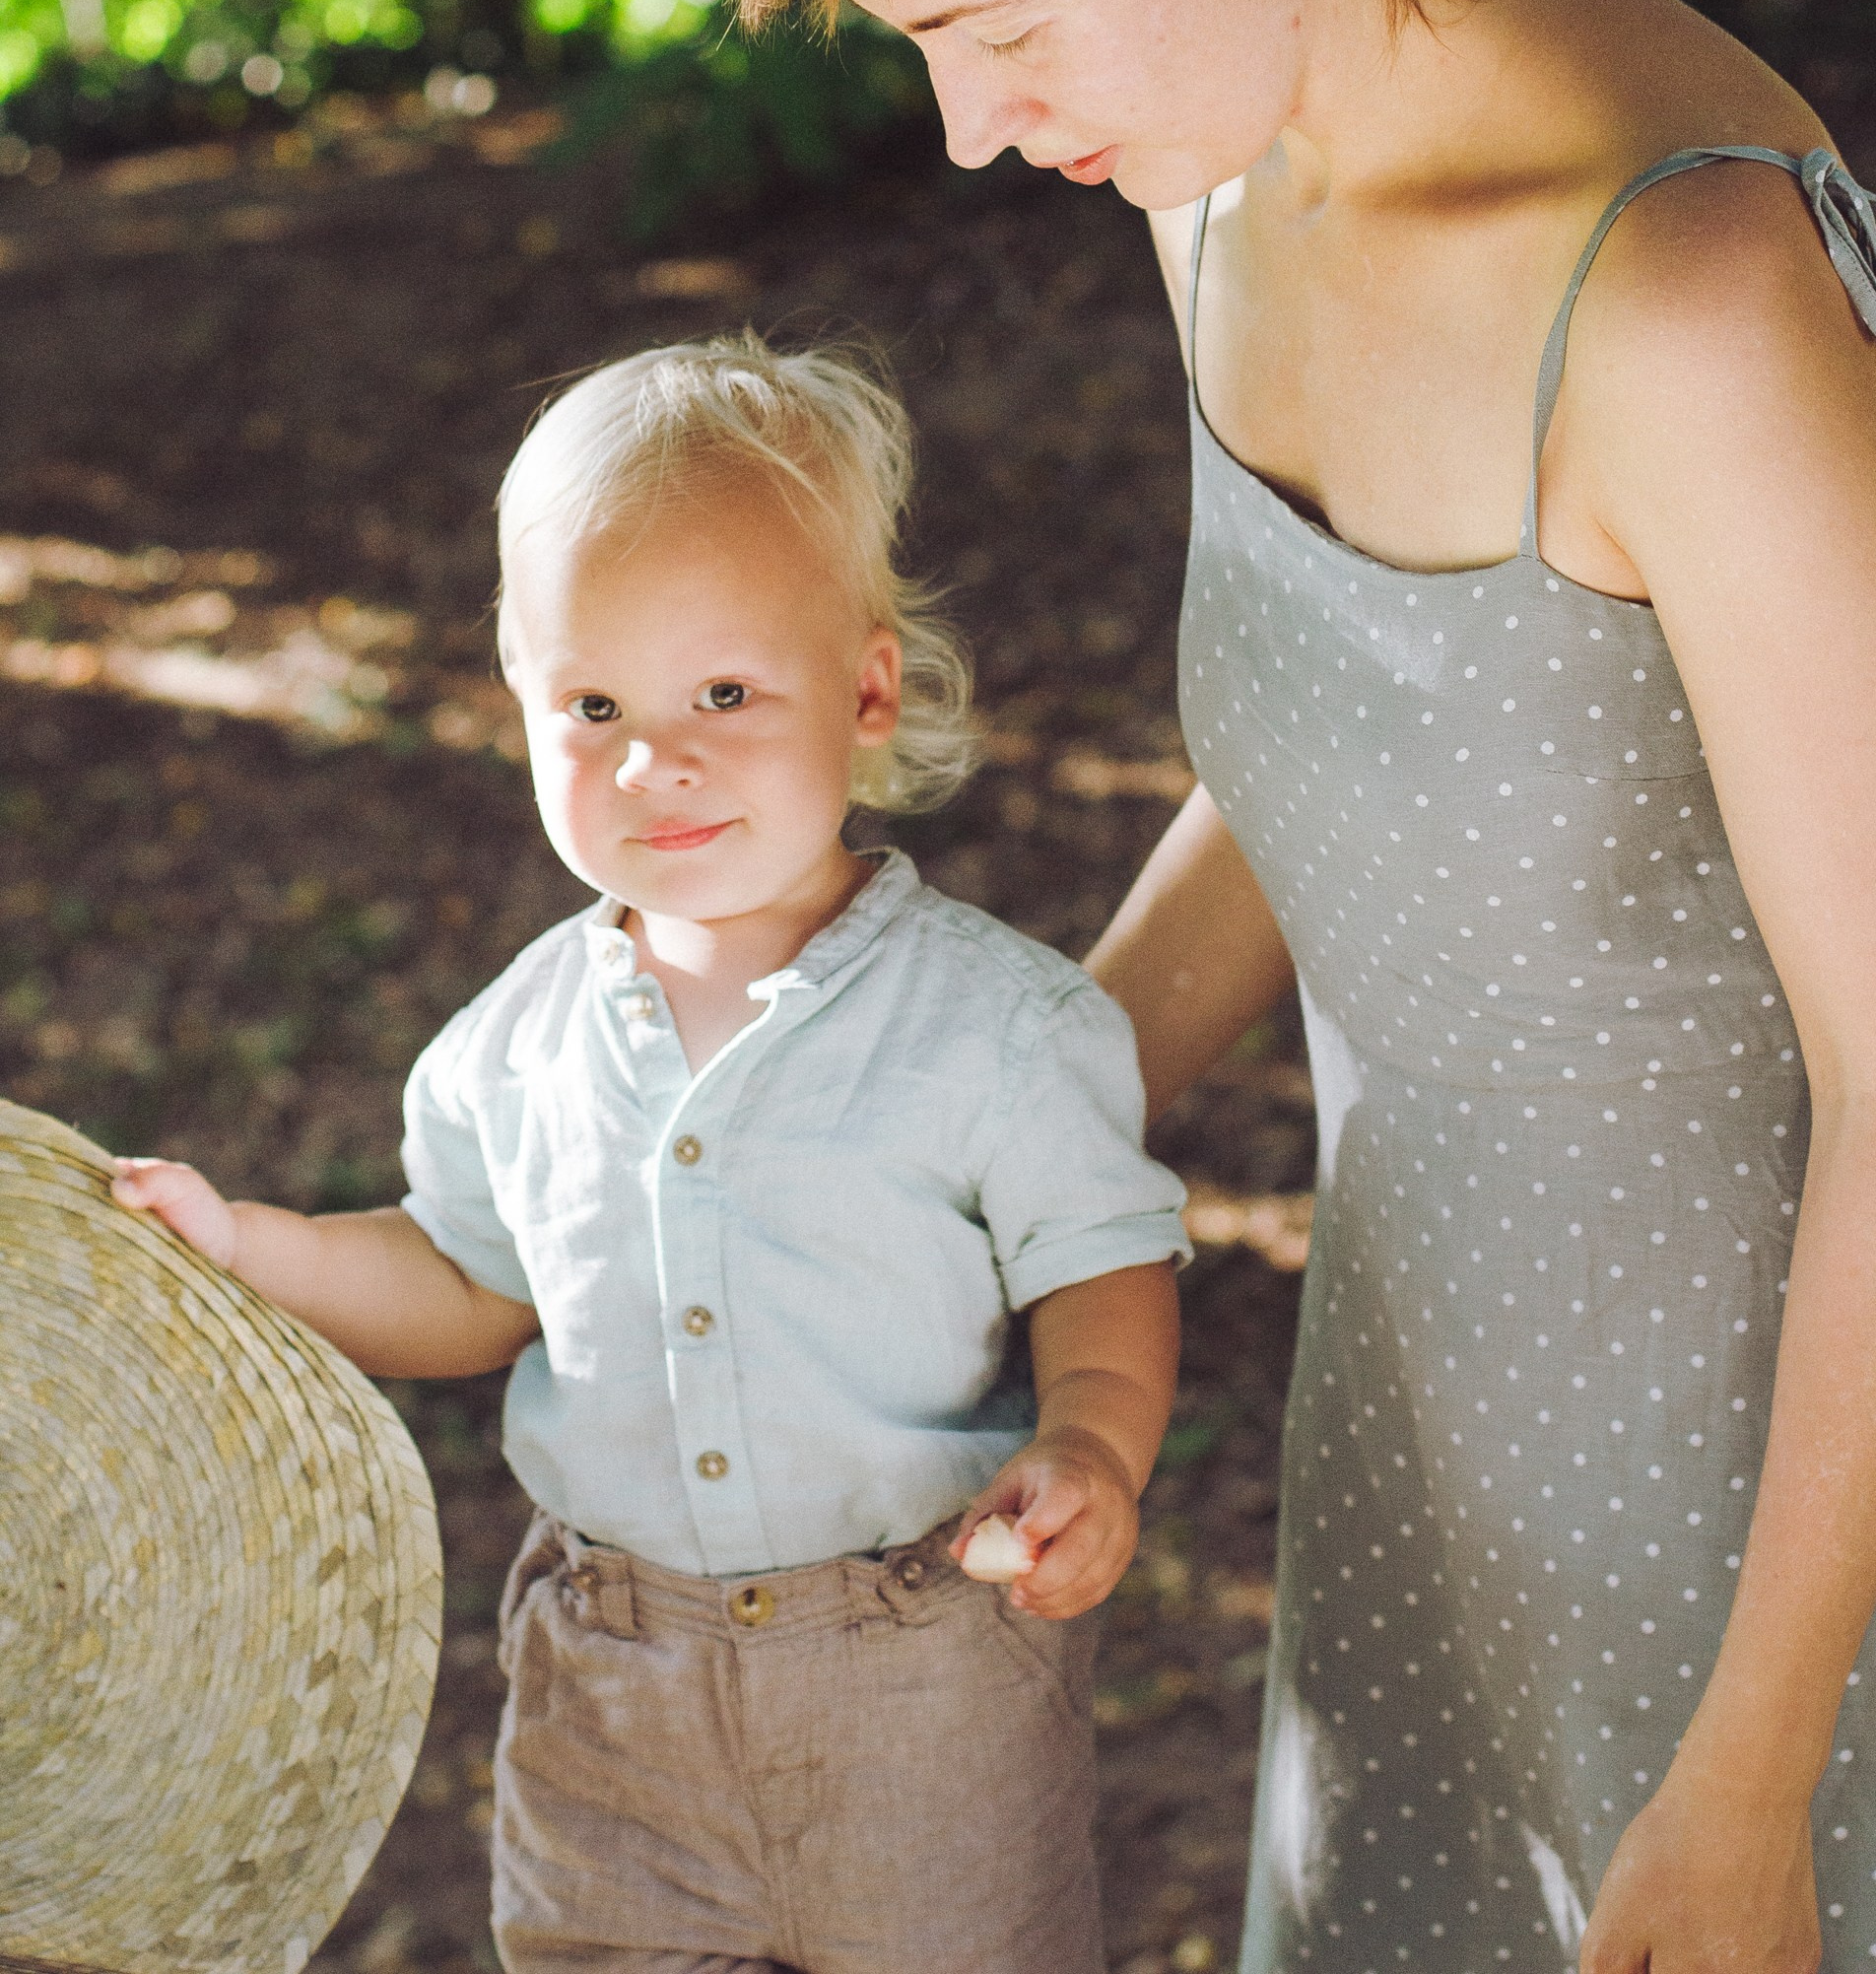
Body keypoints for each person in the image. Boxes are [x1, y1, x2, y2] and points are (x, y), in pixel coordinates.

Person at [712, 0, 1876, 1973]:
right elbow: (1341, 756)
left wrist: (1753, 1774)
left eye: (989, 27)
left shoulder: (1689, 304)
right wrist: (957, 1143)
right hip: (1428, 1434)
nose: (968, 131)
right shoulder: (1217, 157)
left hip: (1803, 1526)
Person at [113, 332, 1189, 1974]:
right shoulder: (517, 1042)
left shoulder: (993, 1028)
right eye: (592, 702)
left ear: (870, 690)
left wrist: (1097, 1446)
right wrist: (254, 1246)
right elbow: (467, 1282)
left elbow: (1099, 1264)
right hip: (611, 1700)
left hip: (920, 1668)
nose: (651, 760)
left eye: (726, 695)